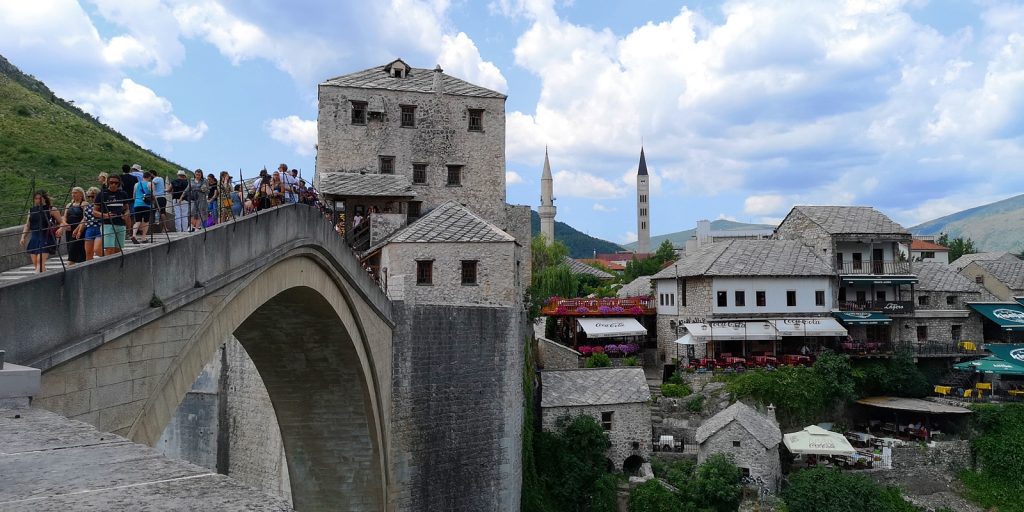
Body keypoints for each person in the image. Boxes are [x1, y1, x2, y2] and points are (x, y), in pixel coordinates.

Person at [20, 190, 67, 273]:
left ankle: (36, 281)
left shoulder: (51, 209)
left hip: (45, 237)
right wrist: (23, 237)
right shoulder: (31, 210)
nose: (38, 200)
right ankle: (46, 280)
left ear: (44, 199)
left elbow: (62, 222)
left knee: (40, 263)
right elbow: (27, 225)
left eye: (40, 198)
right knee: (36, 264)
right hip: (34, 238)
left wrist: (61, 228)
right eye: (36, 198)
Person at [95, 175, 131, 255]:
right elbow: (94, 211)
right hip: (107, 224)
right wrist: (105, 215)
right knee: (109, 249)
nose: (113, 184)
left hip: (120, 224)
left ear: (119, 183)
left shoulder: (123, 194)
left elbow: (127, 208)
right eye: (111, 182)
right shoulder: (102, 194)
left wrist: (126, 214)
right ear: (108, 183)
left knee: (118, 250)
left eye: (116, 183)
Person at [63, 187, 87, 264]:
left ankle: (70, 265)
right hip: (69, 229)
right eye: (72, 193)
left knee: (76, 249)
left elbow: (85, 217)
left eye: (75, 192)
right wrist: (65, 224)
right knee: (70, 248)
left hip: (79, 228)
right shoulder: (69, 205)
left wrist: (77, 229)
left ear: (81, 194)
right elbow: (65, 217)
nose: (73, 194)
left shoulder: (84, 204)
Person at [78, 187, 103, 260]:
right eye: (89, 197)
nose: (91, 198)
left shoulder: (102, 205)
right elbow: (85, 219)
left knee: (97, 250)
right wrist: (79, 230)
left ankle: (110, 258)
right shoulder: (87, 206)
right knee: (88, 253)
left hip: (100, 228)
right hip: (89, 229)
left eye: (93, 196)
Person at [131, 171, 155, 244]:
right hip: (146, 205)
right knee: (146, 221)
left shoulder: (136, 184)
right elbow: (153, 195)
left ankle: (134, 235)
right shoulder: (150, 184)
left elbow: (134, 196)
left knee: (137, 221)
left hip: (137, 204)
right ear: (149, 177)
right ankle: (143, 237)